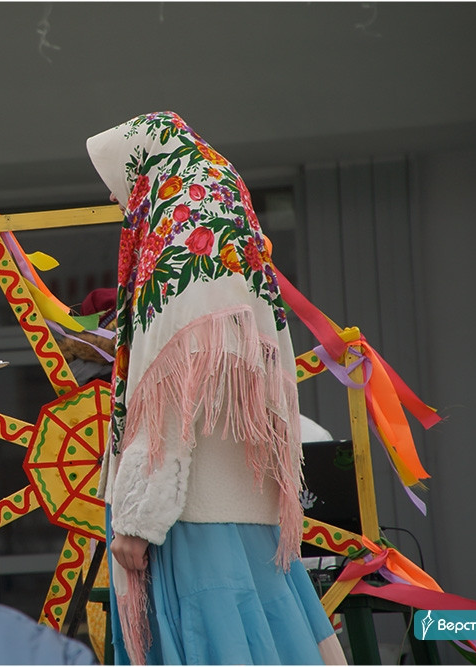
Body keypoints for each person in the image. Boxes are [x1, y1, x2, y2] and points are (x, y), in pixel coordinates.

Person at [85, 112, 346, 665]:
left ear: (151, 174)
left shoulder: (176, 257)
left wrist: (136, 520)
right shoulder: (231, 244)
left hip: (190, 523)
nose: (115, 199)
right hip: (247, 514)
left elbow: (168, 406)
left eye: (122, 181)